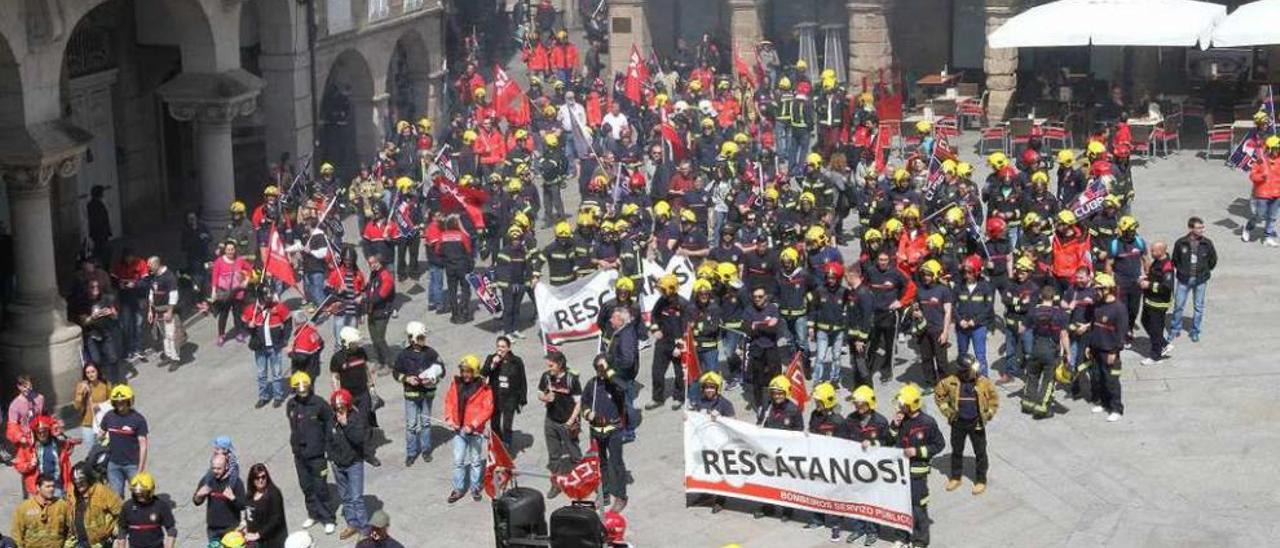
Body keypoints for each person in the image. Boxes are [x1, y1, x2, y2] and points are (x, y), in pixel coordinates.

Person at [888, 384, 945, 548]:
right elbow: (889, 441)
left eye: (903, 404)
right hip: (899, 471)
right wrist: (893, 425)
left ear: (911, 405)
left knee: (918, 507)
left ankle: (920, 541)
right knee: (900, 505)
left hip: (917, 474)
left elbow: (939, 445)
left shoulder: (928, 423)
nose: (900, 407)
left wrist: (918, 451)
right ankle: (901, 537)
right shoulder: (901, 420)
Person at [935, 355, 999, 495]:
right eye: (972, 369)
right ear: (963, 371)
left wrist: (988, 414)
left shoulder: (983, 382)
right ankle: (956, 477)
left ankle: (981, 480)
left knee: (980, 452)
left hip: (976, 423)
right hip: (958, 423)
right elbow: (939, 395)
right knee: (957, 450)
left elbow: (994, 399)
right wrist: (948, 412)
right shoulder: (950, 382)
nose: (975, 372)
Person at [285, 372, 337, 535]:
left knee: (320, 487)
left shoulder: (319, 404)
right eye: (298, 389)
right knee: (306, 486)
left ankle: (328, 518)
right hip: (299, 454)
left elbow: (330, 423)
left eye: (304, 387)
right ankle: (313, 514)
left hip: (316, 454)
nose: (302, 391)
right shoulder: (291, 405)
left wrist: (329, 447)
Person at [443, 354, 495, 503]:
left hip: (475, 431)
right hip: (458, 430)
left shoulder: (484, 388)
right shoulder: (455, 384)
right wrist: (449, 418)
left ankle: (475, 487)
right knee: (458, 461)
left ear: (475, 372)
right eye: (463, 371)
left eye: (468, 371)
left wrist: (473, 425)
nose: (465, 374)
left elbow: (487, 409)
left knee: (475, 461)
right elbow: (449, 401)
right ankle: (458, 489)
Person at [581, 354, 629, 512]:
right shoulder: (592, 384)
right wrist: (588, 413)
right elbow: (584, 403)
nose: (599, 372)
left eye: (602, 369)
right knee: (600, 464)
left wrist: (608, 371)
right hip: (596, 430)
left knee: (616, 464)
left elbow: (624, 387)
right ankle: (604, 493)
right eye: (598, 369)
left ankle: (621, 496)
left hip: (613, 430)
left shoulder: (615, 383)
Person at [393, 321, 444, 466]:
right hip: (411, 395)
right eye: (420, 337)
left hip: (427, 394)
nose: (423, 340)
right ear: (412, 338)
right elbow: (396, 372)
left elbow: (442, 370)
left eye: (423, 337)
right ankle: (411, 453)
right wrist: (406, 378)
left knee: (426, 423)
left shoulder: (431, 353)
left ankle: (426, 450)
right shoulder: (403, 355)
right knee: (411, 425)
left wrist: (434, 377)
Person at [752, 375, 803, 521]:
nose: (777, 396)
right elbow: (760, 423)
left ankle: (787, 510)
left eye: (780, 393)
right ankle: (769, 507)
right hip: (768, 451)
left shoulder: (793, 410)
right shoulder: (767, 406)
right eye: (774, 393)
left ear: (786, 392)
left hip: (787, 453)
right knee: (769, 480)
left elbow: (799, 430)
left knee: (786, 482)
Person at [330, 326, 381, 467]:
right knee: (349, 424)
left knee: (365, 424)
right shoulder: (337, 359)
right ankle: (353, 452)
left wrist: (371, 388)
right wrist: (338, 397)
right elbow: (335, 378)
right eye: (354, 343)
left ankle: (368, 454)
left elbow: (365, 369)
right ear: (345, 343)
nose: (356, 345)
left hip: (363, 394)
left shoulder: (361, 352)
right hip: (348, 397)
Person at [843, 386, 888, 545]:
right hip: (855, 467)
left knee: (872, 501)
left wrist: (873, 442)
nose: (858, 407)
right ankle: (858, 528)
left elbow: (888, 443)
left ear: (869, 404)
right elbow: (842, 440)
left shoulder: (880, 422)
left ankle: (872, 531)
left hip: (873, 469)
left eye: (861, 404)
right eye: (856, 404)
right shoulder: (850, 419)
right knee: (856, 499)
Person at [804, 383, 847, 541]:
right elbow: (812, 429)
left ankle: (836, 525)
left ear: (827, 402)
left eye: (819, 402)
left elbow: (843, 444)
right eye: (816, 402)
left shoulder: (838, 421)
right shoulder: (815, 414)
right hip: (817, 459)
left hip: (833, 463)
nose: (816, 405)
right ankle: (817, 519)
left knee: (834, 494)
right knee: (816, 489)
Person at [1022, 285, 1070, 418]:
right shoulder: (1060, 314)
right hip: (1051, 349)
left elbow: (1022, 329)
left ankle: (1027, 403)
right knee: (1048, 379)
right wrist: (1068, 353)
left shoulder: (1033, 312)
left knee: (1032, 375)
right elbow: (1064, 335)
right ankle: (1042, 408)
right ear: (1054, 298)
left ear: (1040, 297)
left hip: (1036, 347)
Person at [688, 372, 733, 513]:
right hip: (703, 444)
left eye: (712, 387)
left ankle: (720, 499)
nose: (709, 390)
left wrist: (721, 419)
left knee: (720, 471)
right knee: (704, 470)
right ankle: (706, 494)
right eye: (706, 387)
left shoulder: (725, 404)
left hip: (720, 445)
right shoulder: (699, 402)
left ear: (717, 388)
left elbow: (734, 424)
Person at [1167, 216, 1216, 344]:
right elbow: (1175, 260)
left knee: (1198, 307)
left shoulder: (1207, 243)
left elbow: (1213, 260)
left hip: (1200, 280)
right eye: (1198, 228)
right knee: (1178, 305)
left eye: (1202, 227)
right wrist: (1182, 271)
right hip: (1184, 279)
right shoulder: (1181, 243)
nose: (1201, 230)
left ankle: (1195, 331)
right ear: (1191, 228)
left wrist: (1204, 270)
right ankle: (1175, 329)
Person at [1087, 273, 1128, 422]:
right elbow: (1093, 326)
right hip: (1096, 349)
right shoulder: (1098, 305)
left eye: (1098, 289)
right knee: (1098, 378)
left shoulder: (1119, 308)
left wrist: (1114, 351)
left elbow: (1121, 333)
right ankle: (1103, 403)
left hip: (1109, 351)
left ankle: (1116, 408)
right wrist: (1089, 346)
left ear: (1107, 289)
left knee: (1112, 381)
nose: (1096, 292)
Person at [328, 389, 369, 540]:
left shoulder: (355, 419)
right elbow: (328, 439)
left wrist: (346, 425)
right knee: (345, 497)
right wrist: (331, 457)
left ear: (348, 406)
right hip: (338, 464)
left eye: (342, 407)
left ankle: (365, 530)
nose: (339, 411)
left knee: (356, 498)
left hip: (354, 464)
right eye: (337, 408)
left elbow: (359, 439)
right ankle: (352, 524)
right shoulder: (331, 420)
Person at [646, 274, 691, 410]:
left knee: (679, 374)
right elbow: (654, 316)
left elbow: (687, 328)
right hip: (663, 343)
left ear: (670, 289)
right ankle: (657, 398)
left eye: (662, 289)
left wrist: (679, 346)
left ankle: (678, 398)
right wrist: (655, 330)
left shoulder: (683, 304)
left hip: (678, 345)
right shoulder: (661, 301)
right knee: (657, 372)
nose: (660, 292)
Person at [243, 287, 293, 408]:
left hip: (274, 346)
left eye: (269, 296)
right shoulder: (252, 310)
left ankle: (278, 396)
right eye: (266, 296)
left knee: (276, 373)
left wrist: (285, 338)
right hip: (260, 347)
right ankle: (263, 397)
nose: (269, 299)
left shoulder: (279, 307)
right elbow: (244, 324)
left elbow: (288, 322)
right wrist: (249, 326)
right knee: (261, 374)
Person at [71, 278, 124, 383]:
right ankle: (101, 383)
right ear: (87, 288)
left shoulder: (106, 298)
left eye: (97, 287)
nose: (96, 289)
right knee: (96, 360)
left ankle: (116, 382)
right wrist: (93, 317)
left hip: (106, 332)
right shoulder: (83, 302)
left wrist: (111, 313)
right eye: (92, 287)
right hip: (91, 334)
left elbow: (115, 316)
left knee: (113, 358)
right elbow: (84, 322)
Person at [99, 385, 148, 498]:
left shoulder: (138, 419)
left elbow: (143, 445)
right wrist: (101, 438)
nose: (120, 404)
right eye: (117, 402)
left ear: (129, 401)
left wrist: (140, 469)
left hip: (133, 465)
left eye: (123, 401)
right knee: (116, 497)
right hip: (114, 464)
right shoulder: (109, 416)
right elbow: (101, 434)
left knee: (139, 495)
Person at [13, 415, 76, 497]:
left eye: (44, 431)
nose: (42, 434)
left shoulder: (58, 445)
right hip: (37, 490)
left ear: (49, 431)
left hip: (57, 487)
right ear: (35, 433)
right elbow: (19, 465)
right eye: (39, 432)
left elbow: (67, 465)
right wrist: (30, 465)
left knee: (58, 509)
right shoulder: (28, 447)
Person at [482, 336, 527, 449]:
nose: (500, 349)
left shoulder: (516, 361)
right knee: (495, 424)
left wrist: (522, 399)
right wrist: (493, 364)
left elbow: (522, 380)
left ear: (508, 348)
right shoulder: (491, 358)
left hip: (510, 398)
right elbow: (483, 373)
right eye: (498, 346)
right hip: (496, 396)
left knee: (507, 424)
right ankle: (497, 445)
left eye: (503, 347)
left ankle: (507, 445)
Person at [65, 462, 122, 548]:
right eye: (75, 481)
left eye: (81, 480)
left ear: (88, 477)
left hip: (101, 543)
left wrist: (116, 530)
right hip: (78, 542)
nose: (78, 484)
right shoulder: (71, 492)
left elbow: (122, 511)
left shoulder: (101, 491)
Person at [192, 453, 245, 544]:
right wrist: (198, 495)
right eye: (213, 468)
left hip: (231, 529)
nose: (215, 471)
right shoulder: (207, 480)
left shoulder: (235, 482)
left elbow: (243, 505)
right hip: (213, 529)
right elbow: (196, 502)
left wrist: (233, 498)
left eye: (219, 468)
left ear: (227, 467)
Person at [117, 472, 177, 548]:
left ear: (151, 491)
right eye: (137, 494)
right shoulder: (127, 507)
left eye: (143, 493)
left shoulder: (161, 506)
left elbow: (171, 530)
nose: (140, 497)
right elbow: (122, 530)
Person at [10, 474, 70, 547]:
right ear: (38, 488)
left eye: (53, 486)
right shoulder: (24, 508)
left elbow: (71, 530)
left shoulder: (62, 505)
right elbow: (16, 534)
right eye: (47, 486)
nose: (51, 489)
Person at [209, 241, 251, 346]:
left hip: (237, 292)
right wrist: (213, 292)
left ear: (235, 250)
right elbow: (214, 277)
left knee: (237, 314)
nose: (230, 252)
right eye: (228, 250)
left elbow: (250, 269)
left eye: (232, 249)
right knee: (223, 315)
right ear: (225, 250)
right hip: (224, 293)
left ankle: (239, 333)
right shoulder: (219, 261)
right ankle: (221, 335)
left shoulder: (239, 260)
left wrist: (246, 280)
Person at [1140, 241, 1175, 365]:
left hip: (1158, 303)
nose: (1151, 253)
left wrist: (1149, 285)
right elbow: (1155, 276)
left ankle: (1155, 355)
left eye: (1153, 251)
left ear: (1161, 251)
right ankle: (1164, 344)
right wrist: (1146, 279)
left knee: (1156, 328)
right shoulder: (1157, 262)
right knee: (1145, 321)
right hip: (1150, 300)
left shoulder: (1167, 267)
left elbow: (1166, 287)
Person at [1244, 134, 1280, 246]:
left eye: (1278, 149)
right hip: (1263, 193)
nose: (1277, 151)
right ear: (1269, 149)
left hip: (1277, 193)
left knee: (1273, 217)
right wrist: (1261, 177)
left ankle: (1267, 237)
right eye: (1275, 149)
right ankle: (1248, 227)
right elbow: (1252, 176)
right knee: (1260, 215)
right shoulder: (1261, 161)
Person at [146, 256, 182, 365]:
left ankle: (175, 359)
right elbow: (152, 293)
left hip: (167, 310)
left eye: (150, 265)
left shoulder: (169, 277)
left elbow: (173, 294)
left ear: (157, 264)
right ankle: (168, 355)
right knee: (165, 336)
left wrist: (170, 311)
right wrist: (150, 310)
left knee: (172, 335)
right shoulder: (154, 277)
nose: (149, 268)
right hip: (157, 310)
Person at [363, 254, 396, 373]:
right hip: (372, 310)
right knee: (373, 338)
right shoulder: (374, 274)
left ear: (379, 263)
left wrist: (363, 300)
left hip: (382, 311)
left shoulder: (386, 277)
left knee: (380, 339)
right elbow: (369, 289)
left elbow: (380, 296)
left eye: (372, 263)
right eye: (369, 264)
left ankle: (389, 363)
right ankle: (379, 360)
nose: (370, 266)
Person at [243, 463, 288, 548]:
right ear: (252, 480)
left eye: (263, 477)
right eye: (257, 478)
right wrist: (244, 523)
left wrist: (258, 534)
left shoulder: (274, 494)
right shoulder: (250, 495)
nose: (261, 480)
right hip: (253, 541)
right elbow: (249, 512)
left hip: (271, 541)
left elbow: (276, 520)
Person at [72, 363, 112, 445]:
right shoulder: (81, 386)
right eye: (88, 373)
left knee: (106, 448)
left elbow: (112, 401)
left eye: (93, 371)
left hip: (103, 423)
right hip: (88, 424)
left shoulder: (105, 384)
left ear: (97, 371)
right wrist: (81, 392)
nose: (90, 375)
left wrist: (100, 406)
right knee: (93, 452)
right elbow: (77, 407)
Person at [87, 185, 113, 268]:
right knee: (103, 253)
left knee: (100, 251)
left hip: (97, 234)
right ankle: (102, 268)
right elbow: (100, 221)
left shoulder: (92, 204)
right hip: (100, 234)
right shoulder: (97, 205)